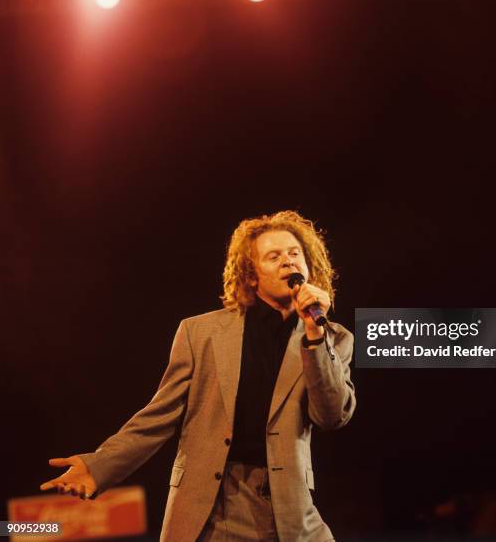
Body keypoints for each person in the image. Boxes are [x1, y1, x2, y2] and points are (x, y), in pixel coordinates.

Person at [40, 210, 356, 541]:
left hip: (293, 511)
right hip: (218, 507)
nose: (288, 263)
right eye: (273, 256)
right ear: (251, 276)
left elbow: (332, 416)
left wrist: (315, 339)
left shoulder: (333, 338)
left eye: (294, 254)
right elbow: (158, 417)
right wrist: (100, 465)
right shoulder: (200, 333)